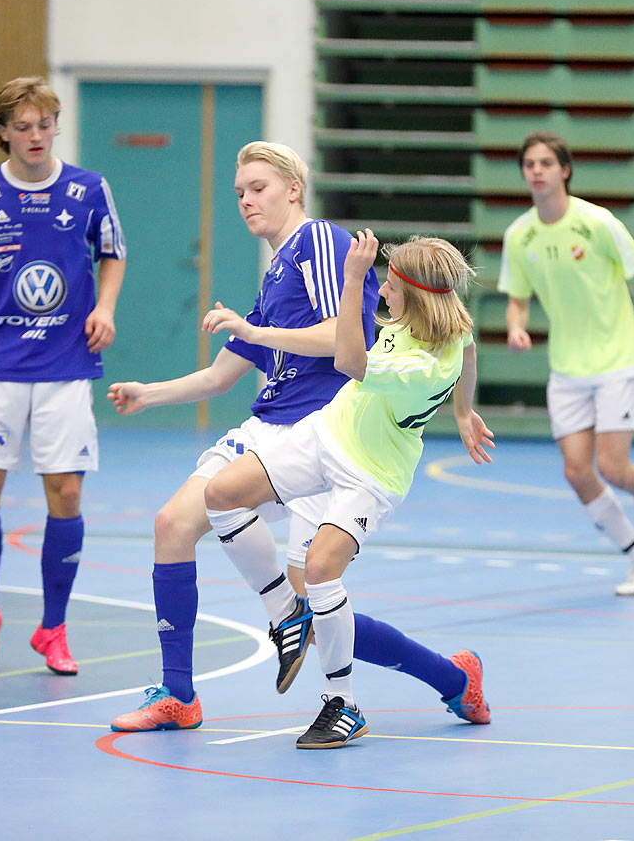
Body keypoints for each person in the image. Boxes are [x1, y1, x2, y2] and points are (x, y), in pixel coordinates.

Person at [106, 142, 489, 736]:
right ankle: (181, 692)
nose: (245, 201)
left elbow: (351, 339)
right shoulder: (278, 270)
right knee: (174, 524)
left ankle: (444, 679)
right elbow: (220, 375)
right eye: (238, 192)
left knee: (319, 586)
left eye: (257, 187)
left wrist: (461, 409)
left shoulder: (320, 245)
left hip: (327, 429)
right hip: (276, 426)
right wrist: (147, 393)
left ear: (293, 189)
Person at [204, 228, 493, 749]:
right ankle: (285, 611)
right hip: (324, 434)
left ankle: (343, 704)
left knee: (319, 570)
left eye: (391, 287)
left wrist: (353, 275)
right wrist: (464, 409)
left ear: (417, 294)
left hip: (371, 475)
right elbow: (470, 349)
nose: (382, 293)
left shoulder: (423, 365)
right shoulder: (447, 326)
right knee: (221, 493)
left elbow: (349, 362)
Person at [0, 76, 126, 675]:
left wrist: (105, 308)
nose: (36, 136)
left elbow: (113, 253)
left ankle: (54, 628)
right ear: (2, 134)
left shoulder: (90, 189)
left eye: (45, 125)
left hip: (66, 365)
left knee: (65, 495)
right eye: (23, 127)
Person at [500, 131, 634, 596]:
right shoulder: (519, 236)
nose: (536, 171)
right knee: (577, 471)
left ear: (564, 170)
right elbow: (517, 298)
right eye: (529, 164)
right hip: (567, 369)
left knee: (614, 467)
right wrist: (516, 324)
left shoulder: (597, 223)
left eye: (545, 163)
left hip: (616, 360)